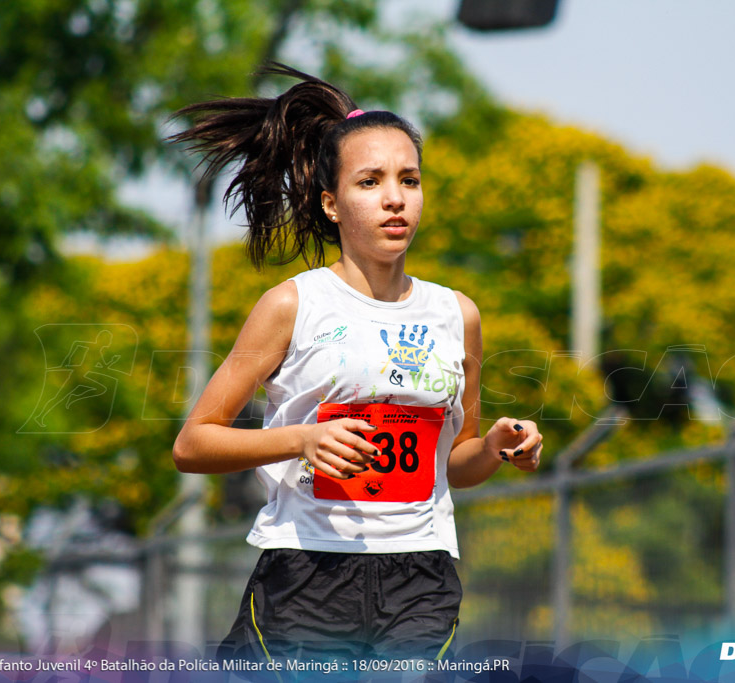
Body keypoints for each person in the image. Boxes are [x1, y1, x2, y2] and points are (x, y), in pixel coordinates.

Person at [169, 64, 543, 663]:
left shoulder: (457, 314)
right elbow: (193, 444)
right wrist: (302, 439)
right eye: (370, 182)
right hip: (306, 574)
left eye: (410, 180)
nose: (395, 198)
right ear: (332, 204)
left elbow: (456, 464)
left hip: (422, 574)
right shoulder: (293, 304)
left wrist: (498, 445)